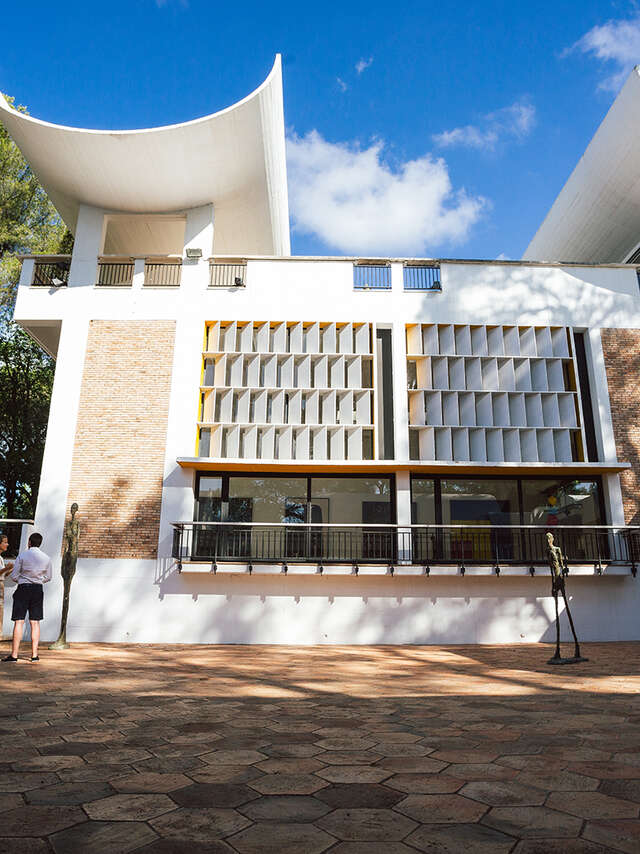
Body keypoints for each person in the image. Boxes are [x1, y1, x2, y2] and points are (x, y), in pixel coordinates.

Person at [2, 533, 52, 663]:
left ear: (29, 542)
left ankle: (14, 655)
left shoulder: (22, 555)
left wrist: (23, 580)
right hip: (37, 590)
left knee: (19, 621)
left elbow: (14, 576)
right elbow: (48, 577)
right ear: (40, 543)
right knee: (35, 622)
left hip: (23, 588)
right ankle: (34, 655)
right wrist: (38, 580)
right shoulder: (46, 558)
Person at [0, 533, 15, 636]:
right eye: (5, 542)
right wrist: (6, 568)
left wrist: (10, 569)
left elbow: (3, 575)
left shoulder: (0, 558)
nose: (7, 544)